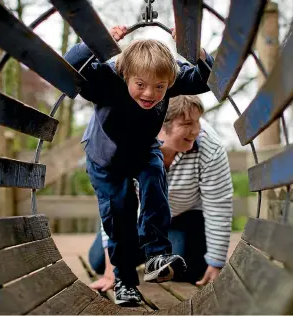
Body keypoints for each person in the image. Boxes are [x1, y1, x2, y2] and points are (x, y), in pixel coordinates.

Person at [64, 26, 214, 306]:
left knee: (154, 180)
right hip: (105, 158)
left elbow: (207, 77)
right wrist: (99, 40)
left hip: (143, 149)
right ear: (126, 75)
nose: (151, 93)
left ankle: (157, 253)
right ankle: (124, 281)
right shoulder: (108, 79)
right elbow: (71, 66)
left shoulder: (166, 79)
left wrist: (193, 49)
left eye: (160, 87)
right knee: (119, 214)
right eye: (141, 85)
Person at [88, 95, 234, 293]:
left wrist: (216, 263)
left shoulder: (210, 146)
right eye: (187, 123)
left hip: (185, 216)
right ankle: (144, 254)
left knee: (187, 268)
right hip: (140, 219)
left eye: (198, 120)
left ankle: (162, 251)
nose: (197, 130)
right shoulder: (125, 145)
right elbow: (115, 205)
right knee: (99, 262)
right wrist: (111, 270)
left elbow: (218, 205)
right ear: (160, 126)